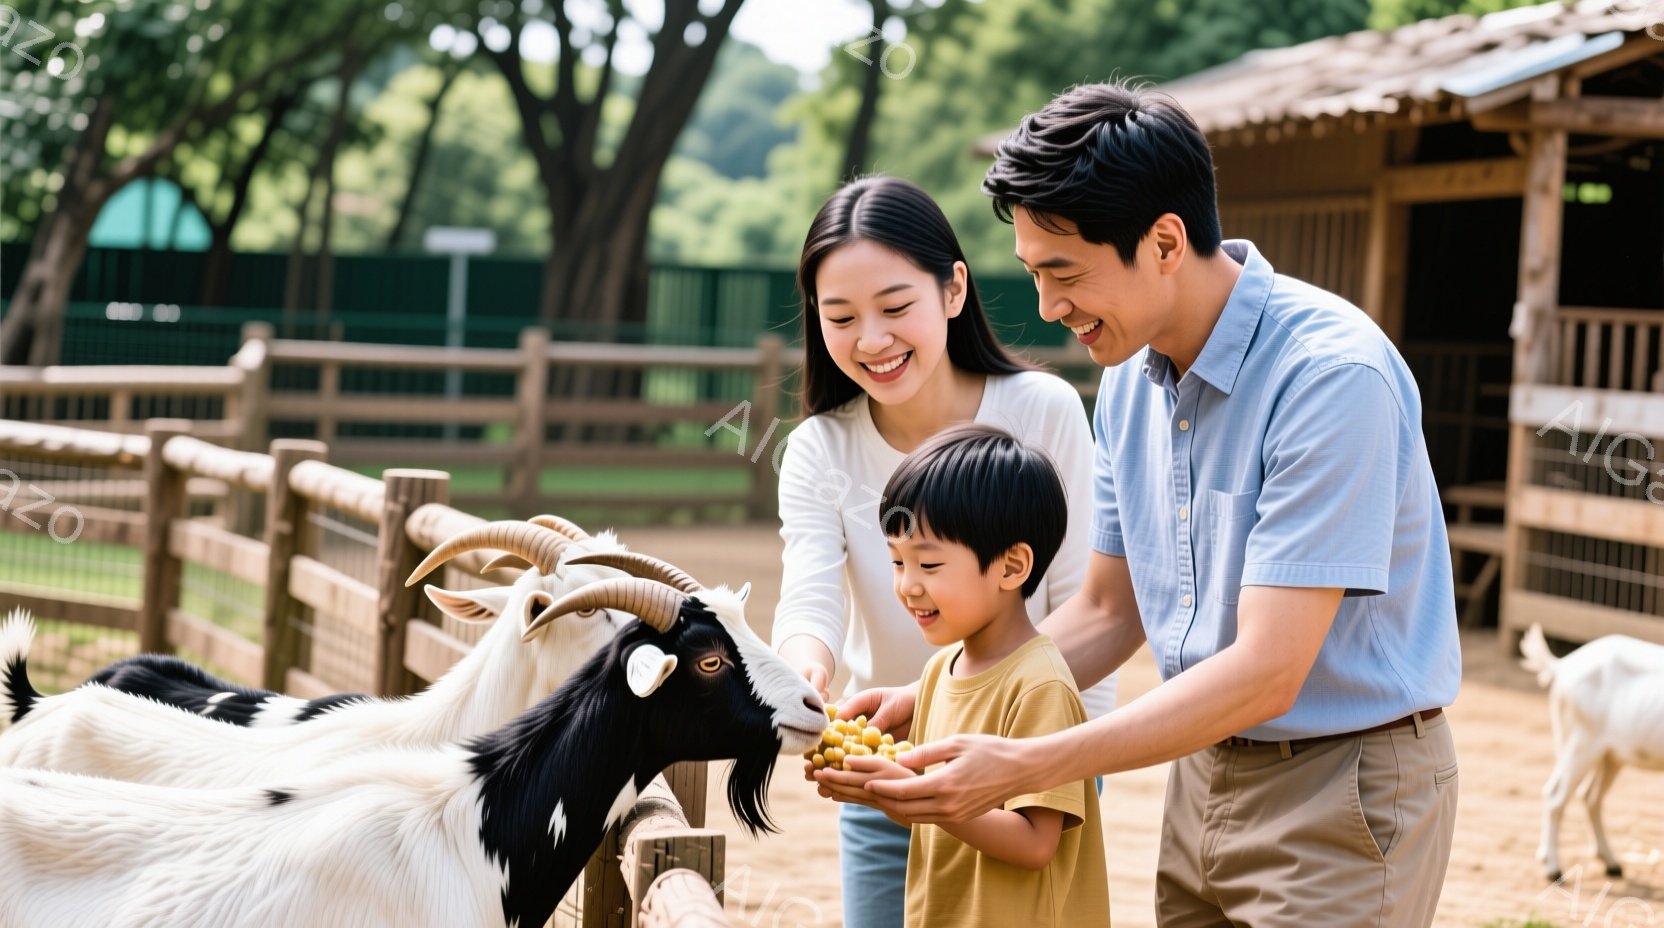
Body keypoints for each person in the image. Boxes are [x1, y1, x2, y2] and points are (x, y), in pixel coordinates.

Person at [819, 81, 1462, 928]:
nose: (1048, 308)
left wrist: (1019, 763)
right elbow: (1105, 613)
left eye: (1065, 274)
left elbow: (1270, 671)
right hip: (1197, 771)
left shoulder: (1330, 378)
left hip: (1341, 784)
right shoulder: (1127, 381)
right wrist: (933, 697)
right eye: (1034, 273)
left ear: (1164, 242)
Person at [772, 175, 1117, 928]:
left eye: (897, 308)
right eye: (840, 317)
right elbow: (810, 594)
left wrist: (971, 716)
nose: (871, 340)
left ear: (954, 289)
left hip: (1037, 768)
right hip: (888, 770)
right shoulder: (818, 448)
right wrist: (803, 676)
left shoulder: (1041, 411)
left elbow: (1084, 601)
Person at [840, 422, 1109, 926]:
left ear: (1011, 567)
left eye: (929, 565)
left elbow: (1034, 843)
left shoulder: (1040, 685)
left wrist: (925, 801)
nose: (907, 587)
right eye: (898, 562)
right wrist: (889, 788)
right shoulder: (941, 671)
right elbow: (940, 811)